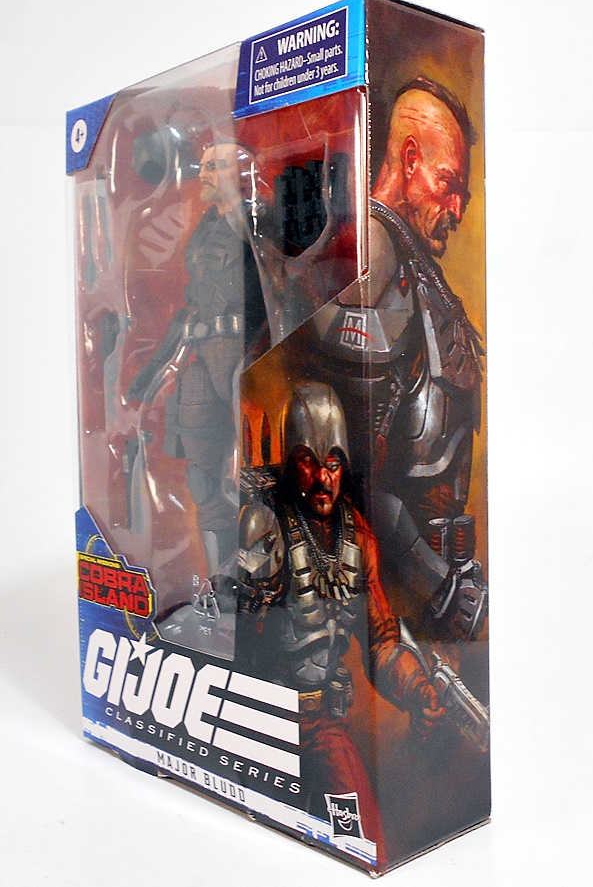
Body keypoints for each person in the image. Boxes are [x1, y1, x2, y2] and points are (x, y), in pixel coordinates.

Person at [233, 382, 445, 861]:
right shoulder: (267, 524)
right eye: (307, 461)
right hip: (262, 715)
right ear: (290, 461)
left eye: (332, 462)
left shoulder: (359, 539)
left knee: (364, 844)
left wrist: (418, 689)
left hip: (322, 723)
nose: (322, 478)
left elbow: (381, 639)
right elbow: (241, 637)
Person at [311, 77, 484, 540]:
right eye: (447, 183)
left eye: (463, 196)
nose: (457, 211)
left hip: (433, 543)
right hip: (401, 549)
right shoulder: (379, 246)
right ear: (410, 160)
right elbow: (358, 458)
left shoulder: (408, 256)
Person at [127, 141, 268, 575]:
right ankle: (223, 577)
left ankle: (266, 571)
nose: (202, 174)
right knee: (203, 477)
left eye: (213, 167)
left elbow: (282, 286)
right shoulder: (204, 230)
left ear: (239, 174)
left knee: (258, 473)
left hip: (248, 355)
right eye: (203, 165)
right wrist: (152, 370)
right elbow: (191, 309)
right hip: (205, 357)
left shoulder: (258, 225)